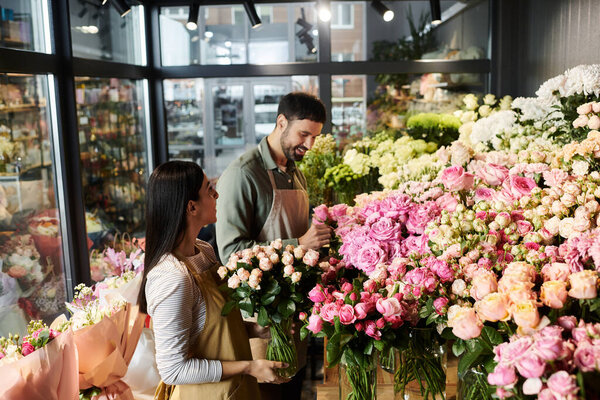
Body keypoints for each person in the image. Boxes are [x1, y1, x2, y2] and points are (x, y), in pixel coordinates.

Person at [215, 92, 333, 400]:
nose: (309, 144)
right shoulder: (244, 174)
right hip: (261, 321)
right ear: (281, 122)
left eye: (315, 137)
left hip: (294, 315)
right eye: (303, 134)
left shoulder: (294, 170)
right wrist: (299, 244)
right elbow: (230, 254)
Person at [138, 161, 287, 400]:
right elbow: (173, 370)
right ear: (191, 207)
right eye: (209, 189)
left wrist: (255, 329)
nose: (216, 194)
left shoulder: (203, 251)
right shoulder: (172, 278)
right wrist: (249, 366)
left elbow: (211, 329)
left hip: (235, 390)